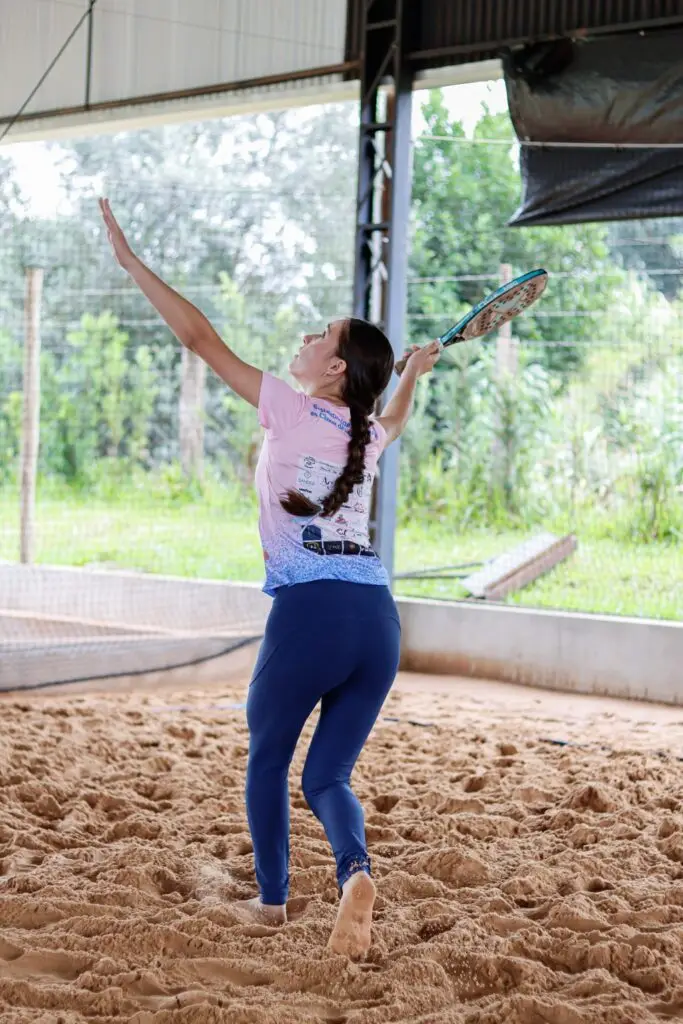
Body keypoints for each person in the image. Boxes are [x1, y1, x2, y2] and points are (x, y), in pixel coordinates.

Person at [99, 198, 440, 958]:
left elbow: (197, 336)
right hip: (378, 621)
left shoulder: (289, 407)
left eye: (320, 335)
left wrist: (131, 264)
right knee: (328, 777)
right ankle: (354, 871)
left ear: (334, 370)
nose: (306, 336)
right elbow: (396, 418)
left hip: (310, 611)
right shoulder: (364, 434)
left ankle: (274, 901)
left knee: (267, 756)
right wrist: (411, 373)